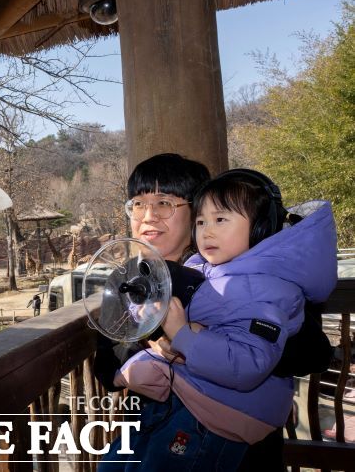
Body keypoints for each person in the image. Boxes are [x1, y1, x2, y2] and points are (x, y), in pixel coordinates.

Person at [94, 154, 334, 471]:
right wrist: (148, 350)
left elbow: (315, 353)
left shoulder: (248, 271)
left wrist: (200, 336)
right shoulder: (127, 279)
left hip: (236, 447)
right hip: (150, 428)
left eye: (164, 203)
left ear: (195, 208)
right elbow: (106, 364)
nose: (148, 216)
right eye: (138, 204)